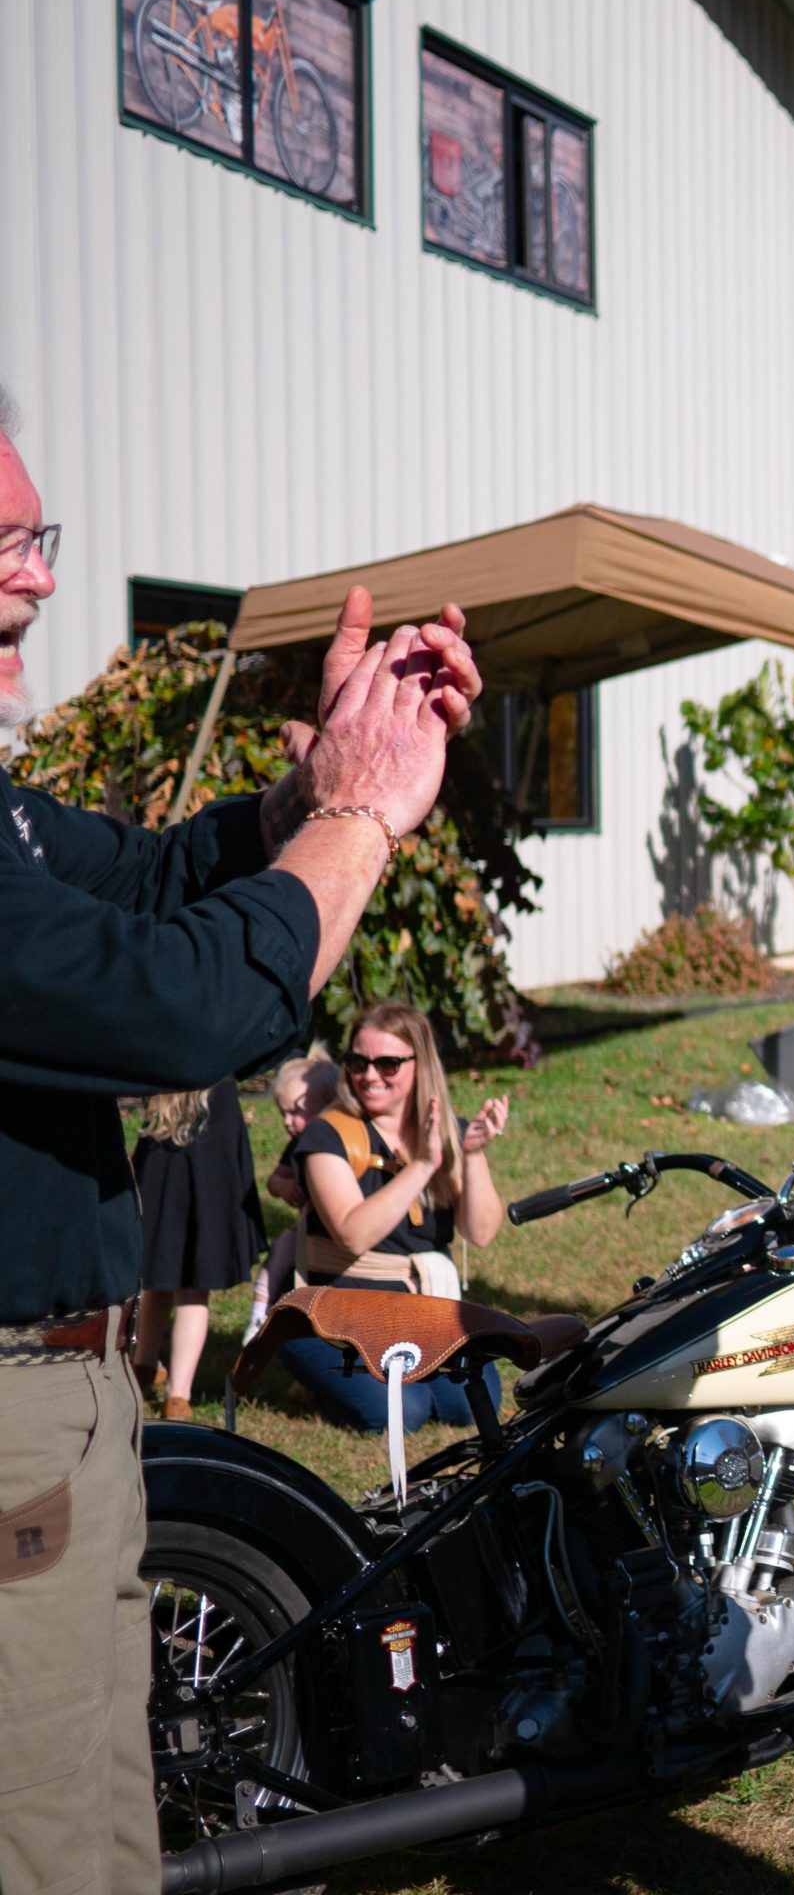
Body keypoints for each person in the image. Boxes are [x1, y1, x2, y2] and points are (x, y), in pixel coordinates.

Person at [0, 383, 479, 1895]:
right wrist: (359, 818)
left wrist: (308, 781)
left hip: (64, 1408)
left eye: (38, 537)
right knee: (53, 1853)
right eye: (4, 544)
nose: (44, 577)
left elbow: (149, 884)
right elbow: (180, 1004)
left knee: (97, 1814)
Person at [277, 1003, 509, 1430]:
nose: (369, 1075)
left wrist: (471, 1155)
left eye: (387, 1064)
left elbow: (479, 1232)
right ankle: (319, 1381)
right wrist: (422, 1166)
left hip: (423, 1308)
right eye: (358, 1062)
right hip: (336, 1313)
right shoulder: (327, 1134)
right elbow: (352, 1234)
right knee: (403, 1412)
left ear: (420, 1065)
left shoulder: (442, 1129)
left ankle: (380, 1381)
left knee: (470, 1406)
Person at [130, 1080, 268, 1423]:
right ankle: (178, 1394)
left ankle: (144, 1363)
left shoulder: (161, 1065)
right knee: (193, 1289)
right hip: (210, 1169)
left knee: (158, 1274)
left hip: (162, 1164)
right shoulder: (216, 1068)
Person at [246, 1051, 340, 1341]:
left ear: (327, 1104)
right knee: (279, 1254)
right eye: (283, 1113)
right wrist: (285, 1187)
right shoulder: (297, 1144)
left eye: (295, 1112)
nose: (288, 1122)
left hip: (333, 1234)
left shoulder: (337, 1140)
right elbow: (275, 1180)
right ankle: (259, 1313)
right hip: (304, 1229)